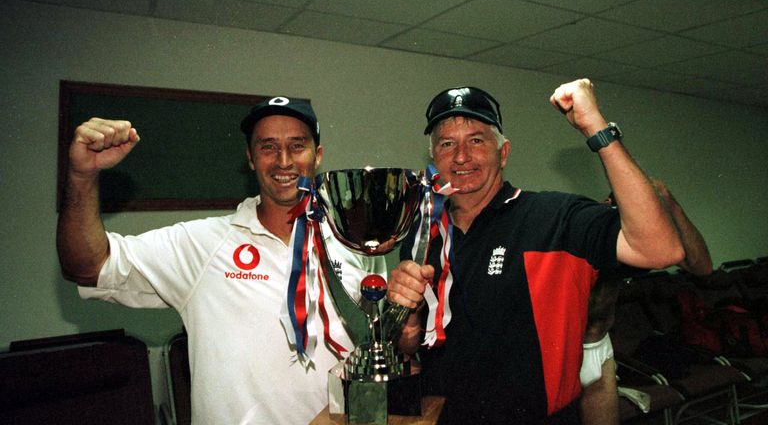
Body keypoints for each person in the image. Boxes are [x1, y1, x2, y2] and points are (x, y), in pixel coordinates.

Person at [56, 97, 383, 424]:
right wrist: (82, 177)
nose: (284, 161)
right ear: (250, 159)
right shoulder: (202, 245)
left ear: (318, 155)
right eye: (268, 147)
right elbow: (88, 266)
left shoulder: (354, 244)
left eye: (297, 146)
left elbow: (379, 346)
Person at [387, 79, 685, 424]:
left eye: (477, 140)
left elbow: (661, 249)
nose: (461, 156)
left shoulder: (553, 219)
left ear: (504, 152)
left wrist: (596, 129)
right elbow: (415, 345)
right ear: (434, 158)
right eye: (447, 143)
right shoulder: (422, 236)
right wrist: (406, 331)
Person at [578, 182, 713, 425]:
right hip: (567, 353)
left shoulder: (638, 244)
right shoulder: (593, 228)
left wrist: (670, 202)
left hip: (599, 349)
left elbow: (701, 266)